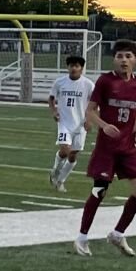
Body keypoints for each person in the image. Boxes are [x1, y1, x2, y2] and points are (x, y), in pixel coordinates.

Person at [75, 40, 136, 257]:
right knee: (99, 191)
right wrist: (104, 125)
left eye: (128, 56)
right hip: (106, 148)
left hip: (127, 148)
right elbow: (90, 111)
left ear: (135, 59)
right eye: (119, 56)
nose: (124, 60)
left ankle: (118, 234)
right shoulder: (106, 81)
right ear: (114, 60)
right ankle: (82, 237)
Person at [47, 54, 95, 192]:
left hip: (80, 125)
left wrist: (89, 120)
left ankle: (61, 181)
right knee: (65, 150)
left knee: (73, 155)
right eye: (71, 66)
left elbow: (94, 104)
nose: (74, 68)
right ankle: (55, 170)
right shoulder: (60, 82)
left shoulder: (88, 85)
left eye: (77, 66)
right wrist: (54, 111)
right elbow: (51, 98)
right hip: (64, 123)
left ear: (81, 68)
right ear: (67, 67)